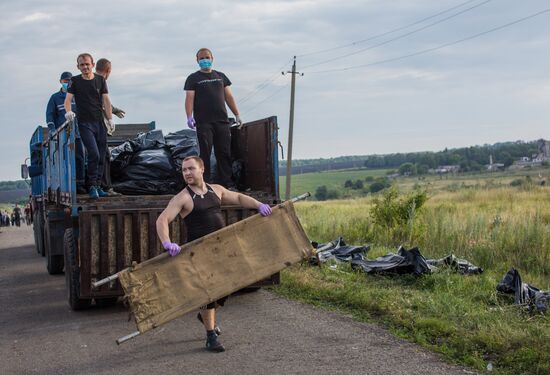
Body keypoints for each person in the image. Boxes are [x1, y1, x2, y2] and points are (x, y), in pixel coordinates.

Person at [156, 156, 272, 353]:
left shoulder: (216, 190)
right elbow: (162, 220)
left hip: (222, 251)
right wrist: (167, 242)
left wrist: (258, 204)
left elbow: (238, 198)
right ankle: (211, 337)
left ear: (202, 169)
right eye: (184, 170)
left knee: (227, 288)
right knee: (208, 294)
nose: (187, 173)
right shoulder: (183, 197)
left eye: (191, 169)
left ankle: (205, 316)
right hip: (199, 254)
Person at [184, 48, 243, 188]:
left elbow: (229, 97)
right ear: (197, 61)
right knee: (205, 153)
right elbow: (189, 98)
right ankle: (204, 183)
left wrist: (237, 114)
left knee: (224, 152)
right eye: (201, 58)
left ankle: (227, 183)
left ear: (212, 58)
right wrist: (189, 116)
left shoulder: (220, 76)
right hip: (204, 123)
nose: (205, 60)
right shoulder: (193, 78)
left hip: (222, 122)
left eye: (207, 57)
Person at [64, 53, 114, 199]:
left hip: (99, 122)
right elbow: (68, 100)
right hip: (85, 123)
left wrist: (110, 119)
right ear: (78, 67)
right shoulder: (75, 81)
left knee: (102, 154)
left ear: (92, 64)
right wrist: (68, 112)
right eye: (82, 65)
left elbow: (106, 100)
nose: (85, 67)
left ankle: (98, 185)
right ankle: (91, 185)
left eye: (87, 64)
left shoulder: (100, 80)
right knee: (93, 153)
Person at [46, 72, 86, 193]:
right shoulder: (55, 98)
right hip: (62, 136)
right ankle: (65, 186)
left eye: (69, 81)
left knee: (80, 157)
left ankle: (80, 184)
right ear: (60, 82)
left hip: (78, 133)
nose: (67, 83)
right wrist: (52, 130)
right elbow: (50, 115)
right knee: (64, 160)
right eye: (65, 81)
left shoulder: (78, 96)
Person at [95, 58, 125, 196]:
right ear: (108, 71)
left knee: (103, 156)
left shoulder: (94, 80)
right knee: (104, 156)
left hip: (92, 127)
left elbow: (104, 102)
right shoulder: (99, 81)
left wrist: (113, 110)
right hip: (97, 126)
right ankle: (105, 187)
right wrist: (112, 113)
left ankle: (103, 186)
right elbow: (102, 103)